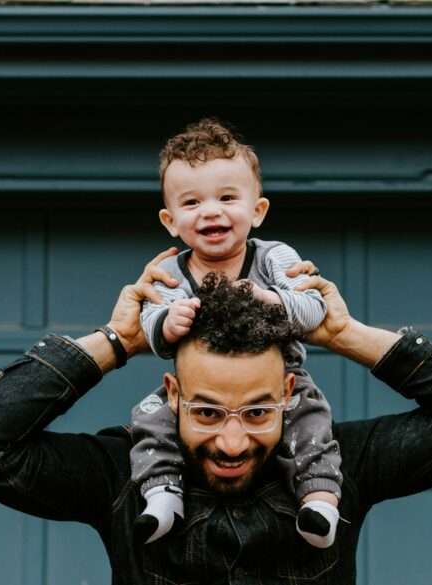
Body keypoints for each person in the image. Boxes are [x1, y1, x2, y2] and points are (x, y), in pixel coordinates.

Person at [0, 250, 432, 585]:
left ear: (289, 391)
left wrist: (343, 335)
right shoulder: (118, 475)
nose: (231, 441)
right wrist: (118, 341)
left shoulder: (344, 466)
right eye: (207, 411)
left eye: (257, 411)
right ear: (172, 394)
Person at [133, 118, 341, 547]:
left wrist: (271, 300)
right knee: (150, 418)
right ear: (171, 221)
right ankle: (161, 494)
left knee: (311, 419)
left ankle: (319, 500)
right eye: (192, 204)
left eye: (227, 198)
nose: (211, 211)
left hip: (281, 378)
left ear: (257, 210)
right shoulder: (170, 270)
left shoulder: (273, 258)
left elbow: (313, 307)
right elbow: (150, 325)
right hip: (197, 390)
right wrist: (166, 323)